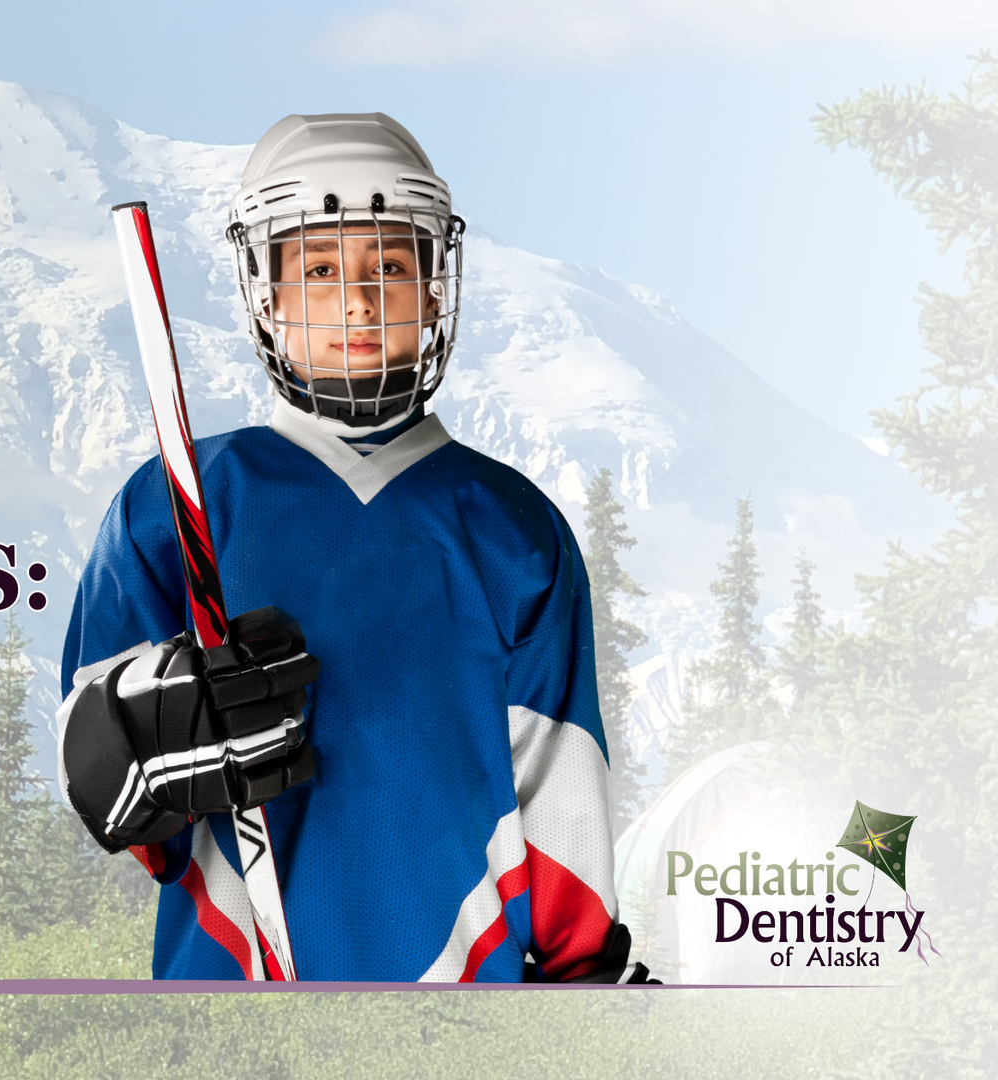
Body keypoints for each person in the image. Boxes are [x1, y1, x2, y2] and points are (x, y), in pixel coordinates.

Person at [58, 112, 654, 983]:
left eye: (391, 266)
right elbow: (98, 770)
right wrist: (138, 735)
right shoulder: (174, 506)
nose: (359, 301)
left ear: (436, 288)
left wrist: (589, 996)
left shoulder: (513, 529)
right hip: (231, 1023)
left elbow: (560, 807)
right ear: (267, 293)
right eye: (321, 269)